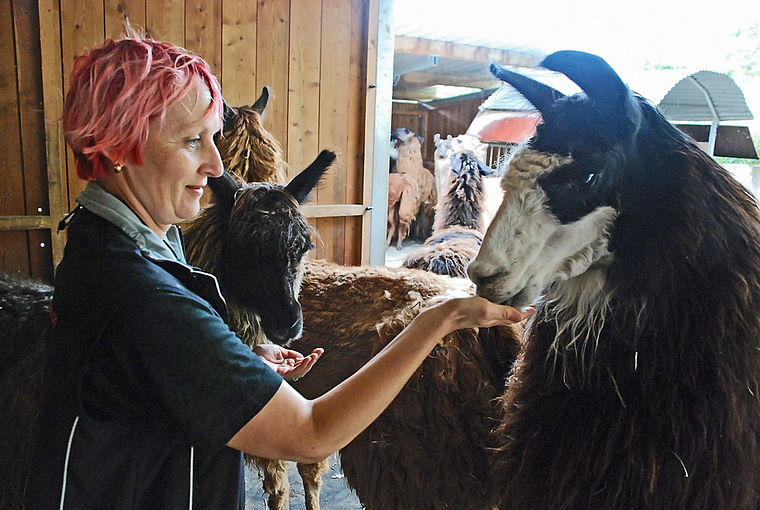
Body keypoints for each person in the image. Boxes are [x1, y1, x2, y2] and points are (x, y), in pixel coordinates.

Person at [28, 34, 532, 510]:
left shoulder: (102, 240)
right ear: (117, 149)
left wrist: (234, 357)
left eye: (212, 138)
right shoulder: (146, 302)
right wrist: (436, 321)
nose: (214, 164)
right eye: (189, 141)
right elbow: (312, 434)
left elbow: (154, 373)